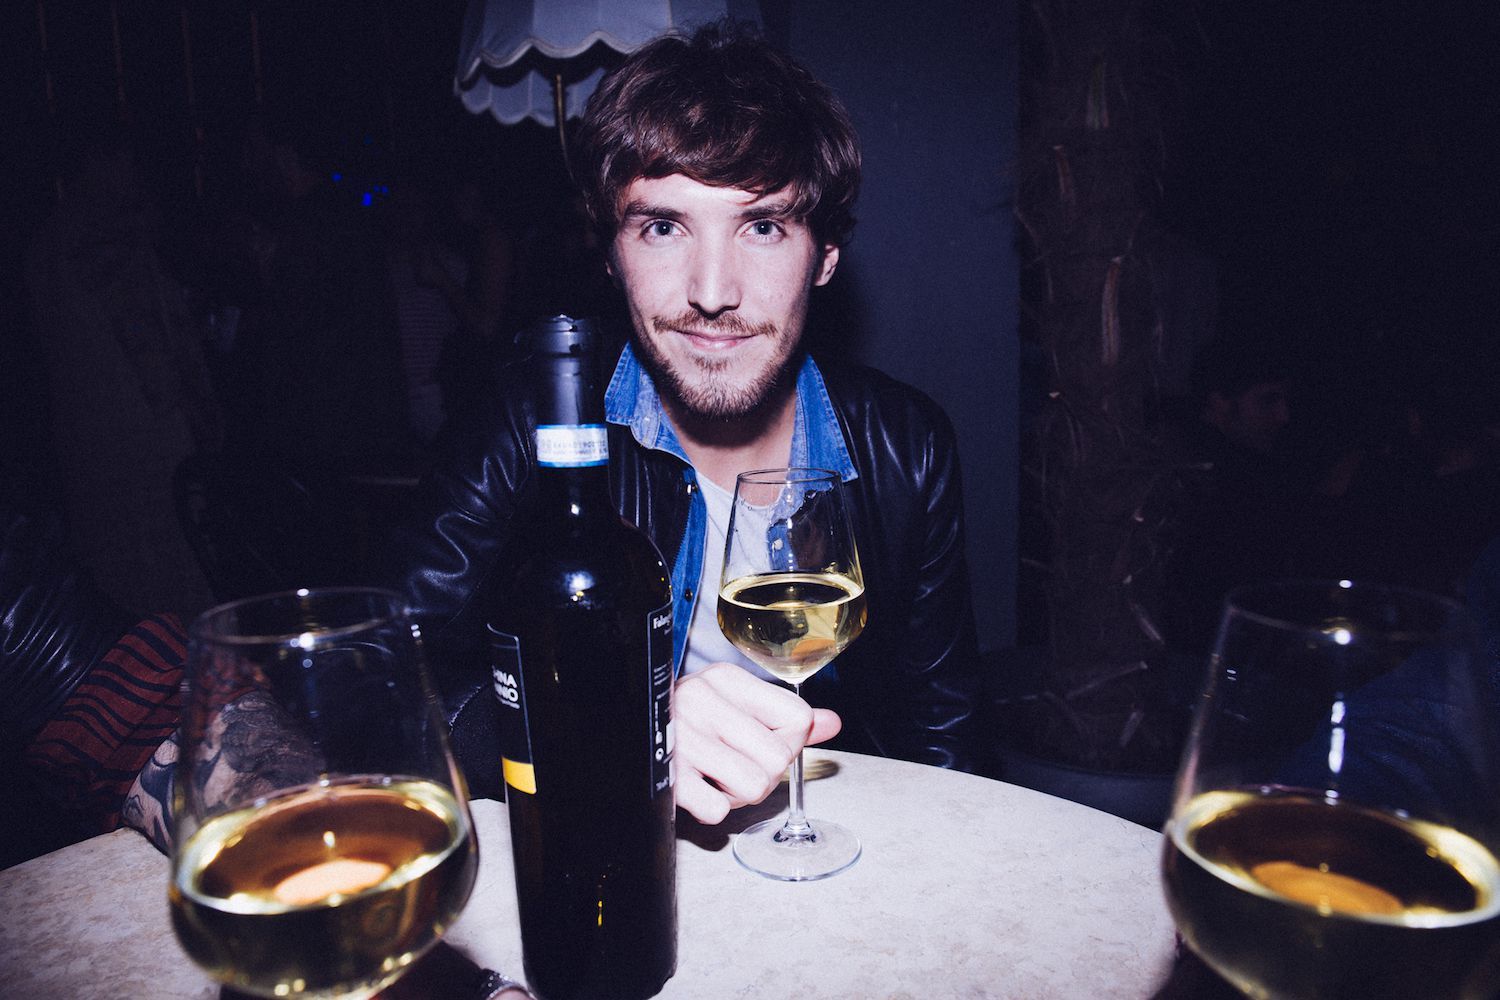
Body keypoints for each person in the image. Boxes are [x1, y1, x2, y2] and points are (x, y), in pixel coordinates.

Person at [380, 21, 983, 824]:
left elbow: (943, 734)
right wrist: (609, 727)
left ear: (826, 256)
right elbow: (378, 672)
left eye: (763, 226)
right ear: (610, 254)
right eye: (663, 227)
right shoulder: (530, 421)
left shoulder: (907, 447)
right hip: (608, 846)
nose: (712, 291)